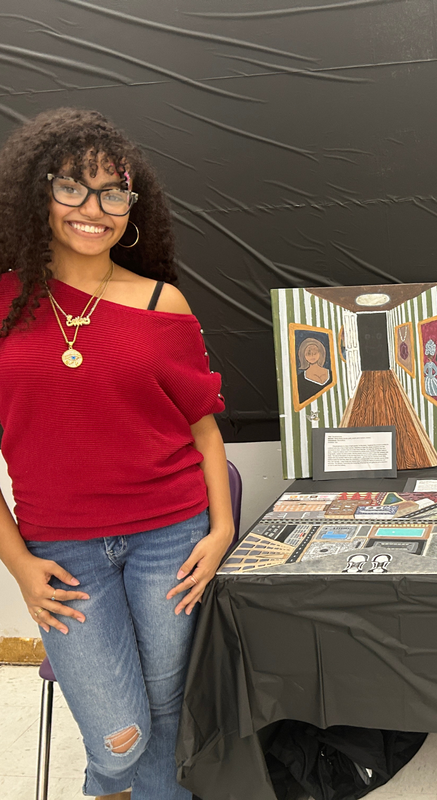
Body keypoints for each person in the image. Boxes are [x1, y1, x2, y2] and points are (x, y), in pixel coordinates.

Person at [0, 108, 234, 800]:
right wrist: (17, 564)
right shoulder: (5, 305)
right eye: (72, 187)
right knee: (120, 732)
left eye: (111, 192)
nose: (92, 209)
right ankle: (109, 783)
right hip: (61, 554)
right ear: (37, 194)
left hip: (172, 536)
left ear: (132, 207)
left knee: (166, 712)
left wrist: (220, 531)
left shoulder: (163, 304)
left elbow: (204, 431)